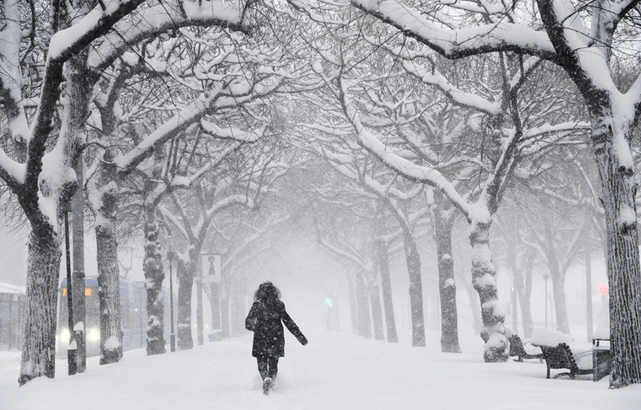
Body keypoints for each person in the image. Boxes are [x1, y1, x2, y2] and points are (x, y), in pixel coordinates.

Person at [245, 281, 308, 394]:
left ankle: (265, 379)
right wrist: (300, 337)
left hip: (260, 339)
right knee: (274, 364)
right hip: (276, 338)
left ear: (259, 293)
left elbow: (248, 323)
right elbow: (288, 321)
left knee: (262, 363)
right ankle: (272, 383)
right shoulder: (279, 304)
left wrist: (256, 328)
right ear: (275, 292)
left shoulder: (257, 305)